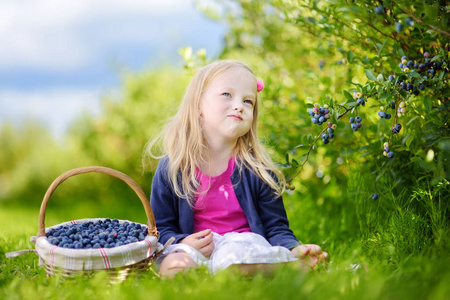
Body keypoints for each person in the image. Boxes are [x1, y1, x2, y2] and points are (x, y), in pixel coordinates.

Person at [145, 60, 328, 278]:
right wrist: (183, 241)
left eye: (248, 101)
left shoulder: (257, 169)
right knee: (173, 265)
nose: (239, 105)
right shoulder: (173, 168)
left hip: (242, 246)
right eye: (226, 95)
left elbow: (275, 226)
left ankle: (286, 265)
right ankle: (271, 271)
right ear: (198, 104)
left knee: (234, 259)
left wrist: (292, 246)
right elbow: (159, 229)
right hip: (194, 249)